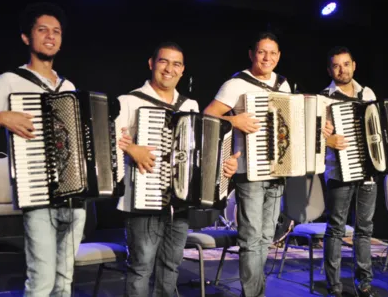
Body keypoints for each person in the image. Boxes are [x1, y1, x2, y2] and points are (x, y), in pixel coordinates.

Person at [115, 41, 240, 297]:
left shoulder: (190, 106)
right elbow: (110, 142)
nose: (169, 69)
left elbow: (202, 154)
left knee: (171, 266)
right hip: (142, 201)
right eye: (163, 61)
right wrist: (132, 150)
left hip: (180, 203)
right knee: (141, 267)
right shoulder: (128, 101)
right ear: (151, 64)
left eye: (176, 64)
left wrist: (224, 165)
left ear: (183, 70)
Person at [0, 2, 85, 296]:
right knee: (42, 280)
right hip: (37, 194)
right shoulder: (10, 81)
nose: (50, 36)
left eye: (56, 31)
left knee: (64, 281)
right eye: (42, 30)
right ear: (26, 38)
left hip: (74, 197)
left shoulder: (69, 87)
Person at [202, 31, 292, 297]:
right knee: (251, 239)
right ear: (252, 54)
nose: (267, 58)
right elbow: (207, 116)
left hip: (277, 170)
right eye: (262, 52)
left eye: (273, 53)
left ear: (278, 56)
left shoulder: (284, 85)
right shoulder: (236, 83)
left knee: (266, 238)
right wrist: (234, 121)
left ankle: (252, 292)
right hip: (248, 171)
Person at [320, 46, 378, 297]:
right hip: (338, 171)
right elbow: (309, 137)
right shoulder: (323, 98)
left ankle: (364, 282)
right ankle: (334, 285)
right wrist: (327, 140)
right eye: (335, 65)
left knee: (364, 228)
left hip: (367, 172)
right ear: (329, 69)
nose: (341, 70)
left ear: (354, 65)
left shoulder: (368, 94)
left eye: (345, 64)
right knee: (336, 228)